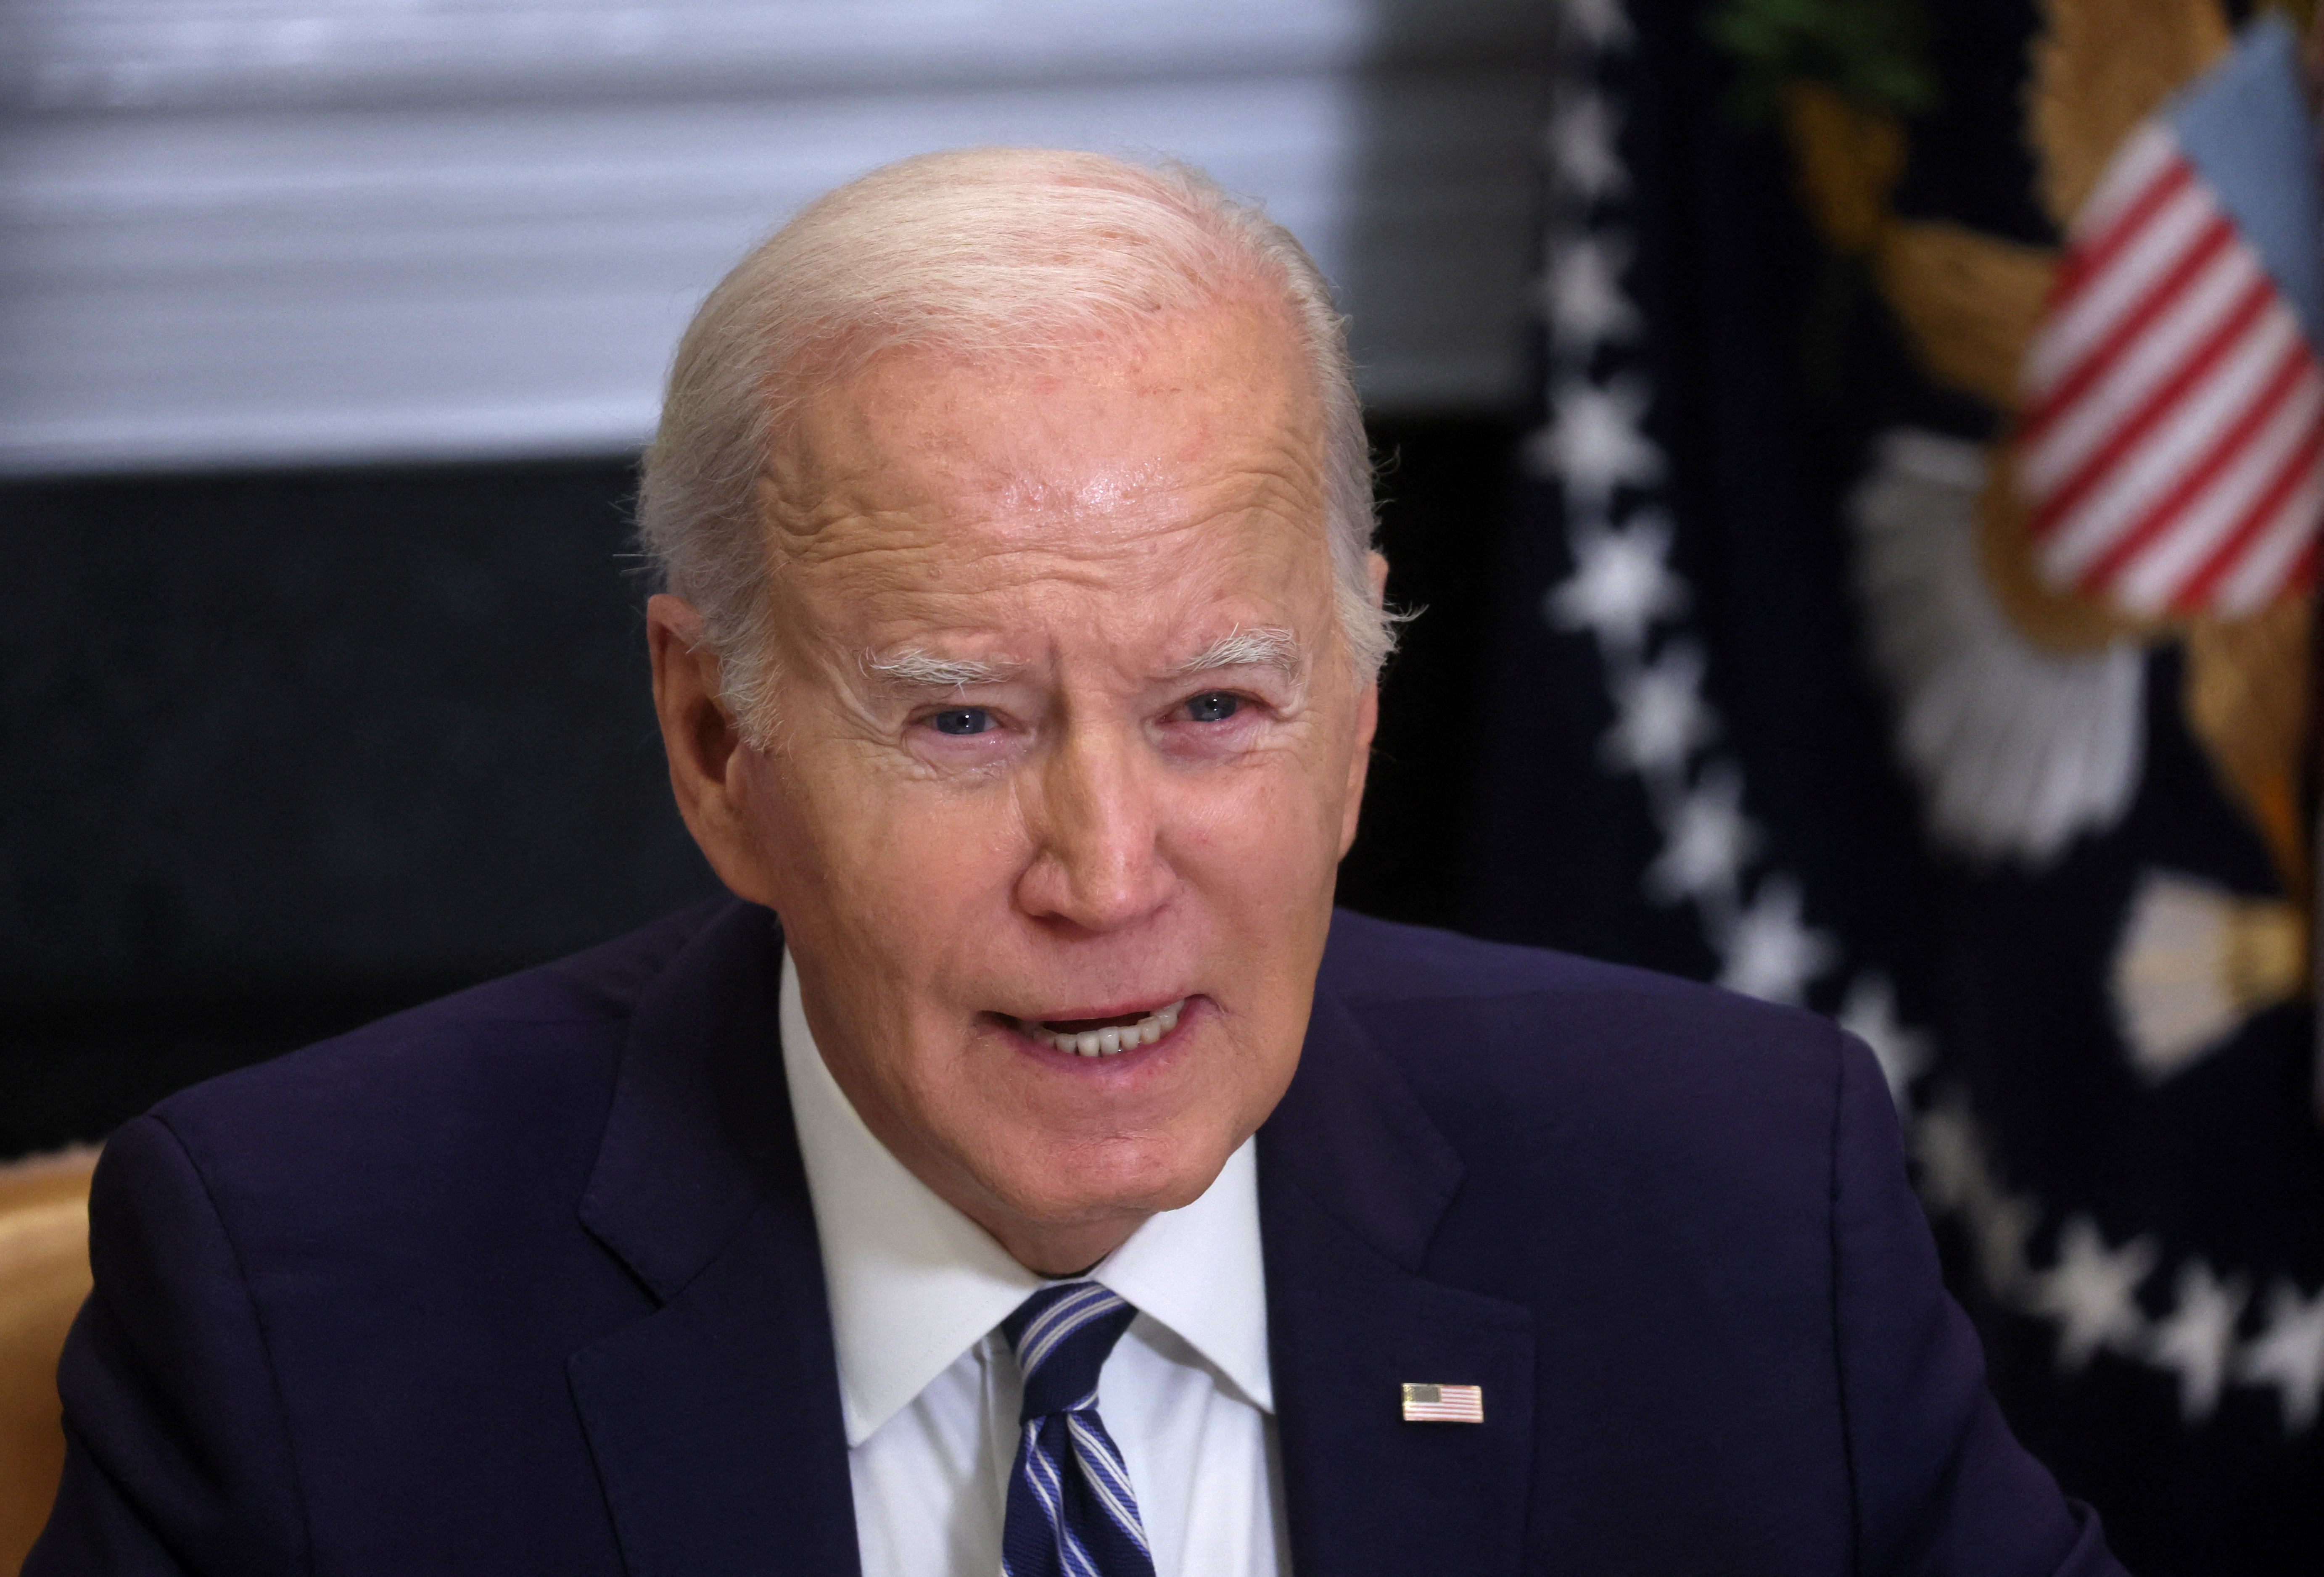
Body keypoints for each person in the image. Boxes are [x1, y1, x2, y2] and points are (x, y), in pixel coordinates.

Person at [27, 149, 2128, 1577]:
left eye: (1215, 705)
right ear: (714, 741)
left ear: (1359, 707)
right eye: (961, 719)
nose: (1104, 869)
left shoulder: (1739, 1201)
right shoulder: (299, 1293)